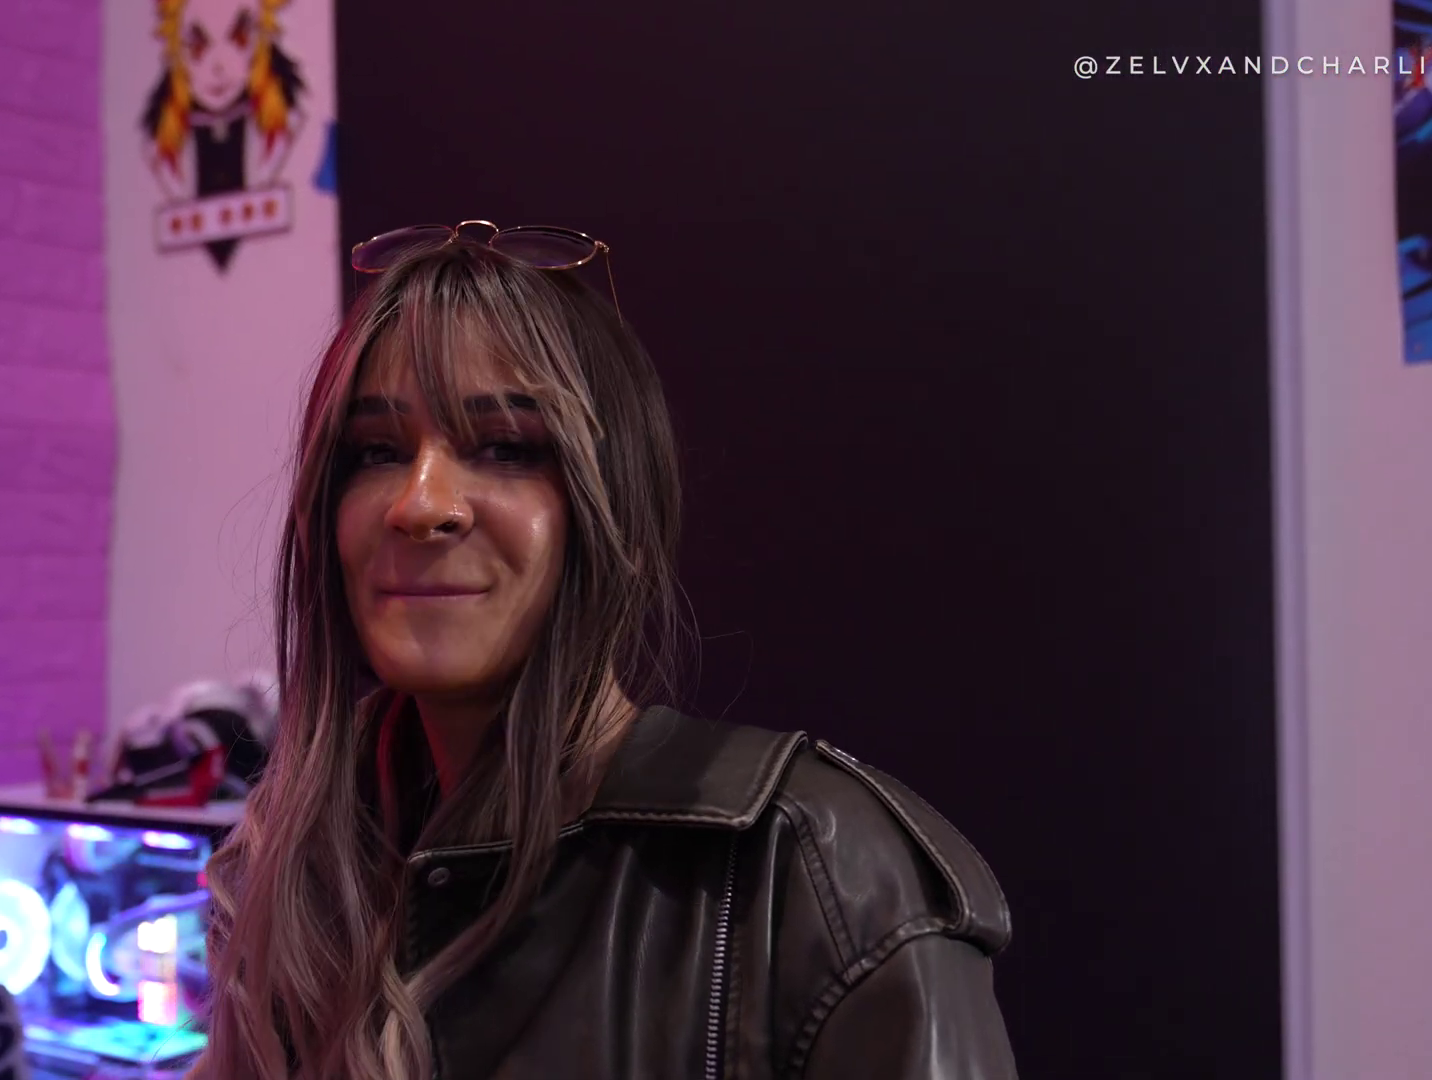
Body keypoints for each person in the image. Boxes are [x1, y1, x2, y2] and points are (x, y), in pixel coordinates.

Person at [194, 221, 1018, 1079]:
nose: (421, 504)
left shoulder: (826, 881)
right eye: (377, 452)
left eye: (506, 447)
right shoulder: (289, 869)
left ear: (613, 501)